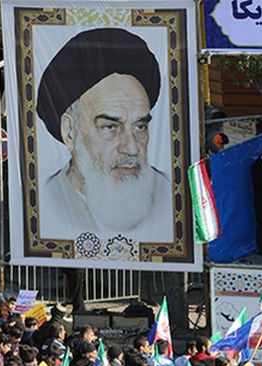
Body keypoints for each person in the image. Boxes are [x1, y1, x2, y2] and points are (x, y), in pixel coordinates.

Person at [35, 28, 171, 242]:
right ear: (70, 132)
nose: (132, 148)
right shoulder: (45, 200)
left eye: (140, 127)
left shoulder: (169, 194)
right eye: (110, 127)